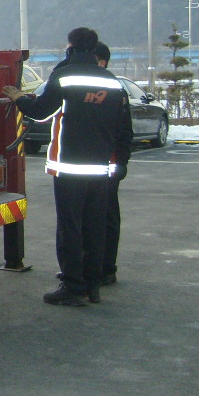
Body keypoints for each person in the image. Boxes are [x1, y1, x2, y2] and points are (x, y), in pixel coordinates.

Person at [3, 27, 133, 306]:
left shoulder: (64, 75)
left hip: (70, 167)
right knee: (94, 227)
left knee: (70, 227)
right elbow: (122, 127)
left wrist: (19, 98)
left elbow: (41, 112)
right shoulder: (112, 81)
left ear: (71, 46)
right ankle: (93, 284)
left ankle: (73, 287)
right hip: (100, 169)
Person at [92, 41, 122, 285]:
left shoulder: (111, 87)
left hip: (107, 166)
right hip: (99, 165)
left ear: (101, 61)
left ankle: (105, 269)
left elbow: (124, 130)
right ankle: (95, 268)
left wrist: (121, 162)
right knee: (95, 219)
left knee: (105, 218)